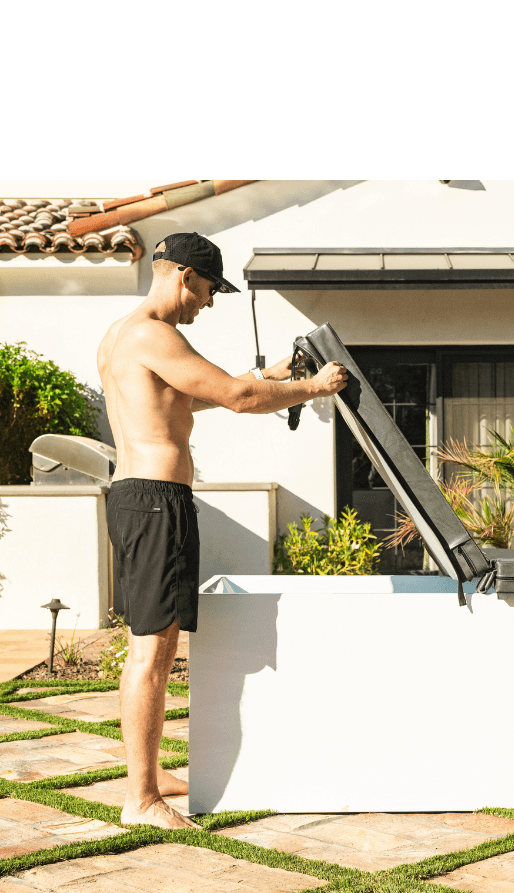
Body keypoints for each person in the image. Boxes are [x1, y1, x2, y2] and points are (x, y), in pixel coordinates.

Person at [97, 232, 347, 829]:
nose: (208, 303)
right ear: (185, 276)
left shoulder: (125, 334)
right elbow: (236, 398)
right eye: (209, 290)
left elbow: (193, 398)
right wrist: (313, 387)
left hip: (140, 499)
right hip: (156, 503)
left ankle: (149, 776)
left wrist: (275, 373)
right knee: (152, 650)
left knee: (149, 647)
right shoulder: (154, 334)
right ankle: (142, 801)